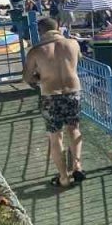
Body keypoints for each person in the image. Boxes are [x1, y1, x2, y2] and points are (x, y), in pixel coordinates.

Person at [23, 17, 84, 188]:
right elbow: (79, 60)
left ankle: (63, 177)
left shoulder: (36, 51)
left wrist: (39, 78)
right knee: (74, 128)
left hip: (50, 95)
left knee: (55, 136)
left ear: (40, 32)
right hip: (73, 92)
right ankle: (77, 165)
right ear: (58, 27)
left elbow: (27, 77)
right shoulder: (73, 44)